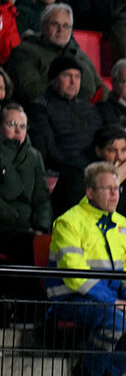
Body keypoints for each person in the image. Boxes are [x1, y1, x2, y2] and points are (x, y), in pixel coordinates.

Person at [46, 162, 126, 376]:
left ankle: (102, 374)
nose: (115, 194)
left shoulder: (124, 225)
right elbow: (74, 274)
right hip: (71, 299)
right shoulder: (69, 222)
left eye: (117, 188)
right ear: (90, 192)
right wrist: (113, 302)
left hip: (114, 301)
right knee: (116, 318)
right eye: (107, 189)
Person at [0, 104, 52, 265]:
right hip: (5, 224)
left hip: (29, 228)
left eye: (22, 126)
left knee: (49, 241)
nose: (18, 131)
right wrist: (22, 224)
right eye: (12, 125)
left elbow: (42, 199)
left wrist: (41, 227)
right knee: (29, 243)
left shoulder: (34, 156)